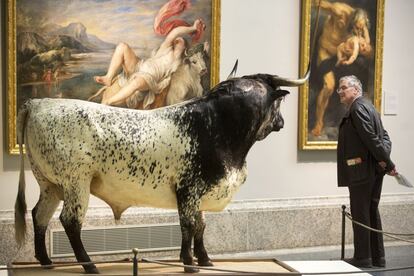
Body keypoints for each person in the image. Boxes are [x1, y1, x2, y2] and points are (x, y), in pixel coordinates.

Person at [336, 75, 398, 268]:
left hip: (361, 171)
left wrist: (387, 163)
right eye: (339, 88)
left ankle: (363, 257)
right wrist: (383, 162)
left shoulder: (356, 108)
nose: (340, 91)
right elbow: (385, 138)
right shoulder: (369, 107)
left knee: (361, 213)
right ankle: (378, 258)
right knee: (371, 211)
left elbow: (372, 138)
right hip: (371, 170)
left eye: (344, 87)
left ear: (356, 90)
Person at [94, 18, 205, 109]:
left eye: (180, 40)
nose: (177, 40)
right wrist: (193, 28)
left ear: (184, 46)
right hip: (140, 66)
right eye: (176, 40)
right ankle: (108, 77)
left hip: (149, 77)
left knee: (136, 83)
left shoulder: (180, 62)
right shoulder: (166, 48)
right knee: (122, 46)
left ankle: (109, 101)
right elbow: (175, 32)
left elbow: (196, 61)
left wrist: (198, 32)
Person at [311, 1, 371, 137]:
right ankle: (319, 123)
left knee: (353, 86)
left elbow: (368, 50)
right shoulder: (340, 11)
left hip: (342, 58)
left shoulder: (361, 26)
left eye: (361, 29)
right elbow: (319, 4)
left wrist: (364, 49)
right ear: (352, 21)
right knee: (329, 86)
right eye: (357, 28)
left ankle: (350, 123)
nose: (358, 31)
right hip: (326, 53)